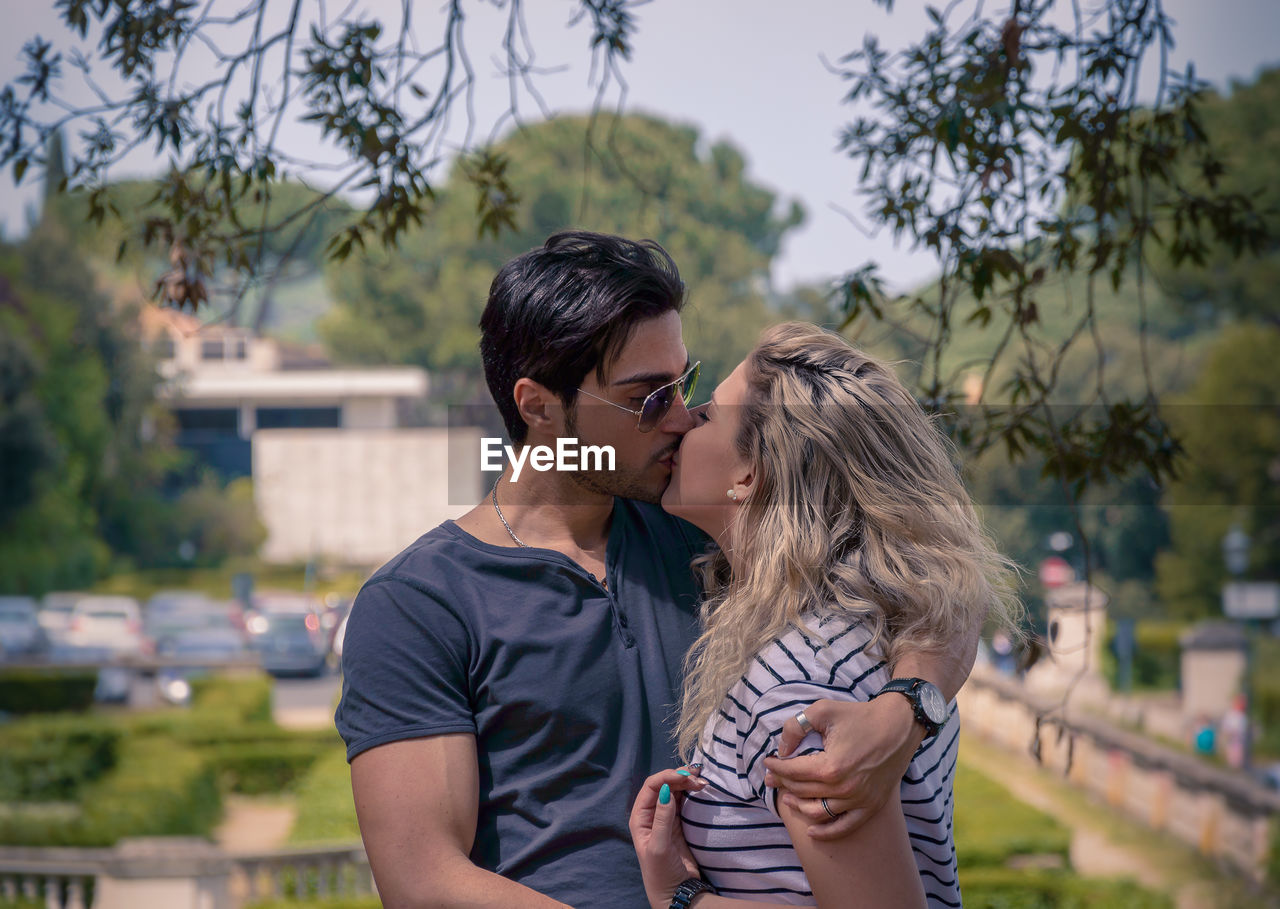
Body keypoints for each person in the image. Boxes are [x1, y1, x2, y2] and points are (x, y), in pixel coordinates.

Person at [335, 233, 987, 908]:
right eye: (648, 397)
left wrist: (906, 707)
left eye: (685, 384)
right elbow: (422, 882)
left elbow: (934, 588)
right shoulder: (419, 604)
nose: (680, 417)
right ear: (538, 406)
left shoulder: (704, 531)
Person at [630, 323, 1020, 908]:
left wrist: (681, 898)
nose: (684, 419)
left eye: (708, 414)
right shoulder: (876, 628)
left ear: (749, 475)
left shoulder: (797, 689)